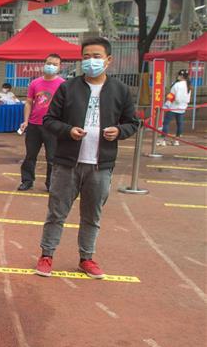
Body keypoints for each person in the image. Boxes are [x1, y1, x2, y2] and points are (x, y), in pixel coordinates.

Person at [35, 37, 140, 279]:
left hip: (100, 166)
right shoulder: (67, 87)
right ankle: (47, 254)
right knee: (56, 212)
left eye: (96, 56)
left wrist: (120, 131)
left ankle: (87, 258)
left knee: (92, 215)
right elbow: (49, 120)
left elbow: (132, 122)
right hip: (67, 163)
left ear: (108, 60)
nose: (90, 61)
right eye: (85, 57)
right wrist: (68, 130)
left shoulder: (120, 90)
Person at [18, 53, 64, 191]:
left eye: (55, 64)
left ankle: (51, 183)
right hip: (34, 125)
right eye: (49, 63)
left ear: (59, 67)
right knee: (30, 155)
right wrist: (25, 121)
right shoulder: (35, 83)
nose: (51, 66)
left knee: (52, 157)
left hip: (52, 126)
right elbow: (29, 103)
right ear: (44, 64)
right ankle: (27, 181)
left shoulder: (63, 84)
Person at [158, 69, 191, 146]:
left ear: (182, 76)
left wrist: (165, 105)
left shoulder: (176, 85)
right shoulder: (188, 85)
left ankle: (163, 140)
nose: (177, 76)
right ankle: (177, 140)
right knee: (180, 124)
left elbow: (171, 96)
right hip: (182, 108)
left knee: (166, 123)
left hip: (173, 107)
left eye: (179, 75)